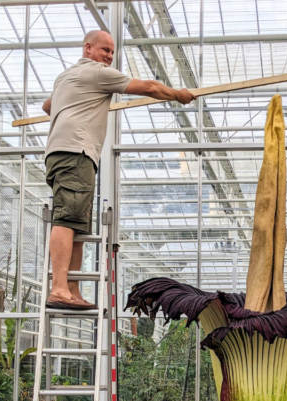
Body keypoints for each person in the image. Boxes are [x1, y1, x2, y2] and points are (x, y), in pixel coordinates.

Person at [41, 30, 195, 309]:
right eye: (104, 50)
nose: (109, 56)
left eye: (112, 52)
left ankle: (71, 289)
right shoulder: (97, 73)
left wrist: (77, 104)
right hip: (75, 151)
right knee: (65, 219)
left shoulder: (65, 77)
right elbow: (149, 88)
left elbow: (47, 106)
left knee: (75, 222)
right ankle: (59, 288)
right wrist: (179, 95)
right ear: (88, 48)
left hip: (63, 153)